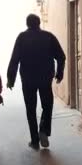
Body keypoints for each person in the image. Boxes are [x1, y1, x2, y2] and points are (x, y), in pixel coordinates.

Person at [7, 14, 66, 150]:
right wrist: (59, 72)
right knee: (47, 105)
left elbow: (14, 59)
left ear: (27, 24)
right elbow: (61, 56)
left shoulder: (22, 38)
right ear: (39, 23)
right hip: (45, 78)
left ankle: (34, 141)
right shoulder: (48, 36)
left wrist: (11, 79)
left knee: (30, 109)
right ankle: (44, 130)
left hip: (28, 79)